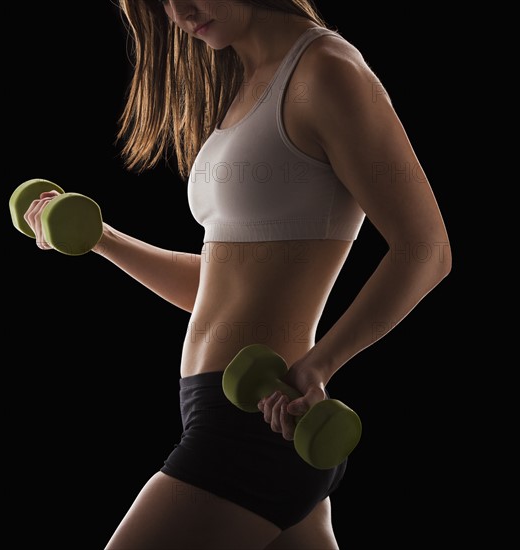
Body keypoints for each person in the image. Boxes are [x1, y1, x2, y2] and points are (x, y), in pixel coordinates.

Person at [24, 1, 452, 548]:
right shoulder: (250, 82)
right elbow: (221, 286)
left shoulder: (326, 71)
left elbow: (426, 249)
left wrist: (320, 363)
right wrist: (103, 238)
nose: (178, 11)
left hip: (255, 426)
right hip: (235, 421)